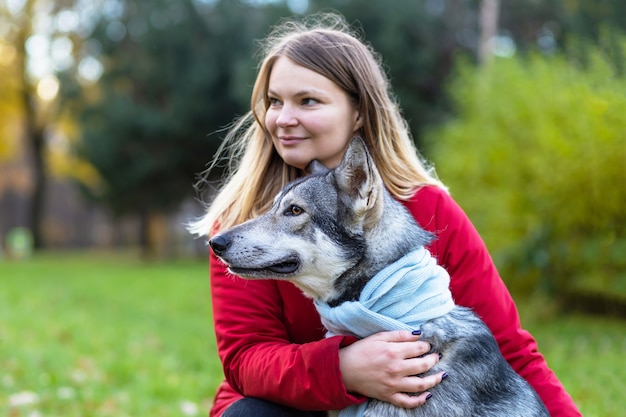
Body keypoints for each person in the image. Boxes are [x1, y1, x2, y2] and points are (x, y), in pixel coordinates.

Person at [190, 12, 581, 417]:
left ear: (358, 112)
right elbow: (246, 358)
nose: (283, 119)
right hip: (291, 406)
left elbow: (510, 348)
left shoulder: (428, 208)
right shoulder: (243, 223)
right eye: (274, 101)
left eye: (307, 101)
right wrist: (344, 369)